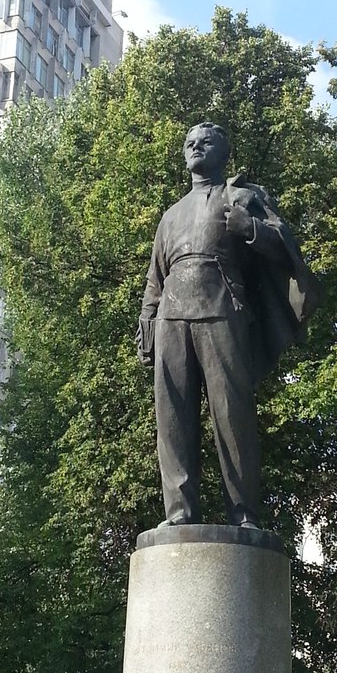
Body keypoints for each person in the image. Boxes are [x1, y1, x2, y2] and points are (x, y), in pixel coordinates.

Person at [137, 121, 320, 528]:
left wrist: (249, 228)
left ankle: (243, 513)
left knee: (232, 415)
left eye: (206, 142)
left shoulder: (240, 196)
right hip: (171, 318)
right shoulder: (170, 216)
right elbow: (155, 280)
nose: (196, 147)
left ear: (223, 152)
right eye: (190, 143)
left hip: (222, 309)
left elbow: (285, 247)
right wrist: (147, 325)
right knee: (171, 419)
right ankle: (179, 512)